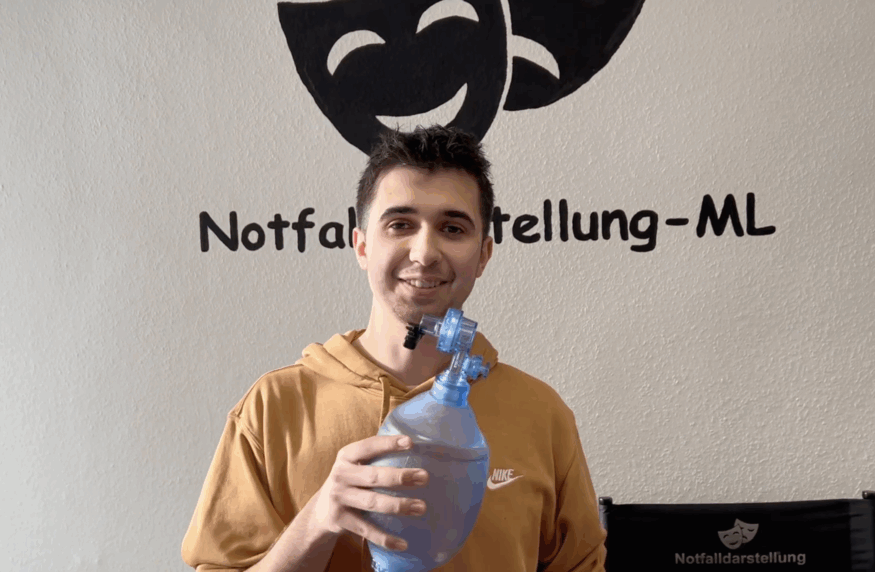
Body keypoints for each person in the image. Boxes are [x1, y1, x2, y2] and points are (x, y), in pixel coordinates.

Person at [181, 125, 607, 571]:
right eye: (400, 224)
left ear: (483, 255)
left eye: (453, 228)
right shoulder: (274, 409)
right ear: (362, 246)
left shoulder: (540, 414)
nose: (424, 253)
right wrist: (319, 520)